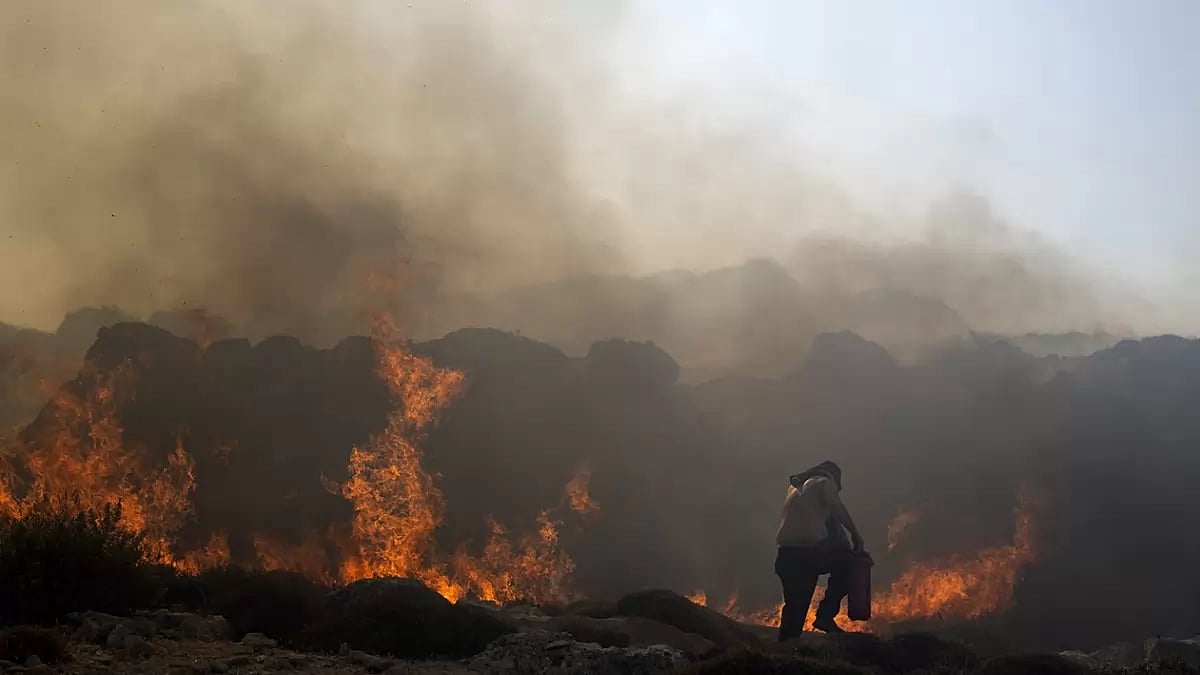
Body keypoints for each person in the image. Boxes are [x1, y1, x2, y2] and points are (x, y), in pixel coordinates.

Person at [773, 460, 866, 640]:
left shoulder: (795, 488)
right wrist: (855, 534)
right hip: (809, 555)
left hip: (785, 556)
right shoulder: (824, 482)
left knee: (795, 607)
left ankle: (785, 650)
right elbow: (837, 509)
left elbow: (824, 525)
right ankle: (825, 616)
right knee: (850, 565)